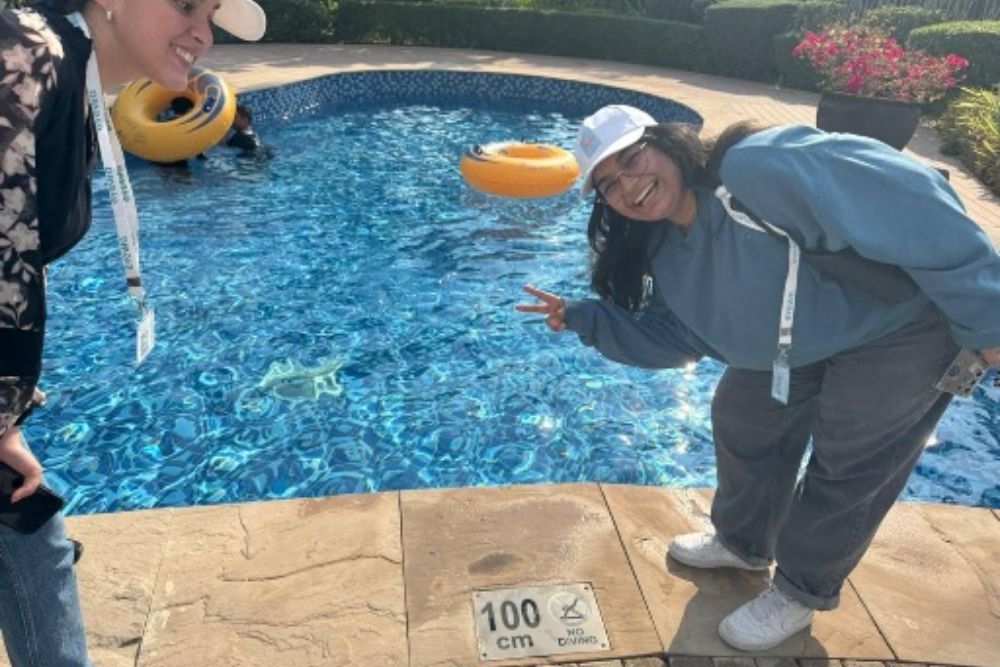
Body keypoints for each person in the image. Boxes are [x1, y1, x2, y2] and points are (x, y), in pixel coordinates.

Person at [517, 105, 1000, 651]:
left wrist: (989, 316)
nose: (628, 186)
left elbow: (910, 196)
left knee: (849, 462)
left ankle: (801, 589)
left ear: (668, 142)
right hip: (807, 337)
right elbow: (686, 337)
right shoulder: (662, 243)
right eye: (608, 184)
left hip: (901, 325)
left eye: (631, 159)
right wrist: (585, 318)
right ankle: (744, 545)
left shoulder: (756, 168)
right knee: (745, 418)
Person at [0, 0, 264, 665]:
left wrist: (5, 419)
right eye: (185, 3)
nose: (202, 31)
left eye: (211, 13)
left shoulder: (69, 73)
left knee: (35, 541)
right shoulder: (26, 56)